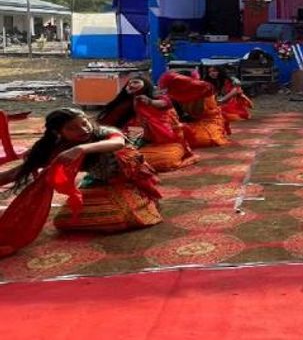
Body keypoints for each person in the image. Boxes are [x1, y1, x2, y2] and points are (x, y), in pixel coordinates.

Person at [0, 108, 162, 257]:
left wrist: (81, 149)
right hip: (99, 182)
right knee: (64, 221)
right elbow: (18, 172)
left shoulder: (105, 133)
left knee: (117, 220)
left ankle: (144, 202)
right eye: (72, 128)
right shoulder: (59, 148)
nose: (83, 130)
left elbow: (117, 143)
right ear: (58, 133)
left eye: (84, 123)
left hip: (129, 182)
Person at [97, 75, 197, 172]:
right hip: (140, 136)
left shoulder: (159, 97)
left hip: (166, 139)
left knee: (166, 159)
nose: (131, 84)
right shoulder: (128, 102)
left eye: (136, 82)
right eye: (129, 83)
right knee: (121, 155)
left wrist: (150, 101)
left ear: (146, 85)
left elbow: (163, 103)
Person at [160, 71, 230, 148]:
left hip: (210, 122)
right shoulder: (175, 94)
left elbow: (206, 88)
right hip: (192, 122)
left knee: (202, 139)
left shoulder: (204, 89)